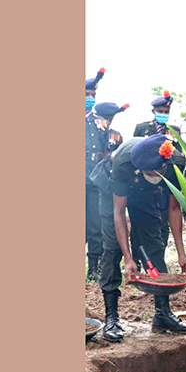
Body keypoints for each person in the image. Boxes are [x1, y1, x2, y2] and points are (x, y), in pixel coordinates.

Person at [91, 134, 186, 342]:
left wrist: (182, 254)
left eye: (160, 172)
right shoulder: (123, 162)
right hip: (112, 189)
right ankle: (112, 318)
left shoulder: (175, 161)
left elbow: (174, 208)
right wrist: (129, 259)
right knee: (112, 247)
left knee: (154, 243)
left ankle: (163, 314)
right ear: (140, 168)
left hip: (145, 192)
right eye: (151, 173)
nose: (156, 175)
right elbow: (119, 213)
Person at [133, 90, 186, 258]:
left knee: (163, 222)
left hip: (165, 182)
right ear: (154, 111)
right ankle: (138, 257)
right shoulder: (142, 128)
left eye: (166, 112)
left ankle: (159, 254)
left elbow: (177, 156)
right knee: (140, 222)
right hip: (145, 182)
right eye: (160, 112)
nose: (163, 115)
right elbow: (136, 153)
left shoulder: (175, 131)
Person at [85, 67, 107, 281]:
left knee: (94, 224)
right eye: (86, 95)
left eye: (93, 95)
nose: (90, 99)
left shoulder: (101, 122)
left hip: (93, 179)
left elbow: (106, 152)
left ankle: (93, 267)